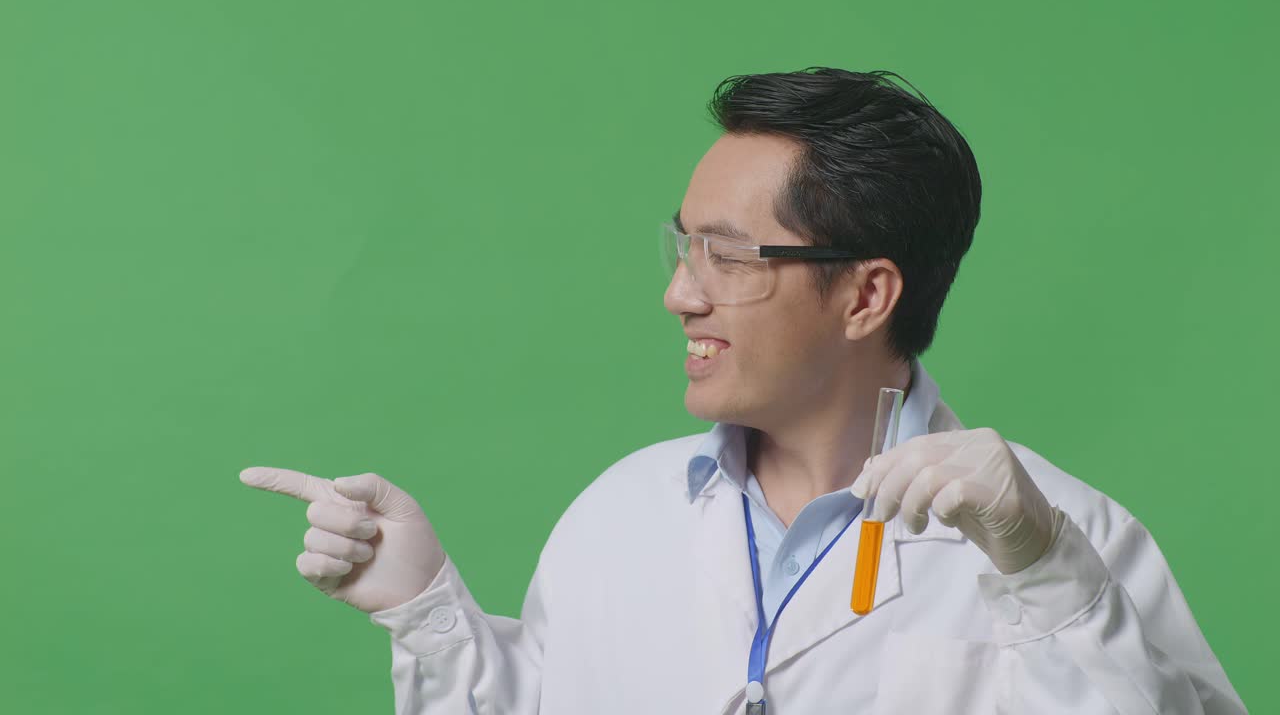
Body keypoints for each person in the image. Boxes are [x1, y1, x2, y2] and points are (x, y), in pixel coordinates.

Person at [240, 68, 1246, 714]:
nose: (678, 293)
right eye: (683, 247)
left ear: (863, 295)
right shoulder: (617, 514)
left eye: (725, 256)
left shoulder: (1063, 535)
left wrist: (1047, 581)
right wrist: (425, 610)